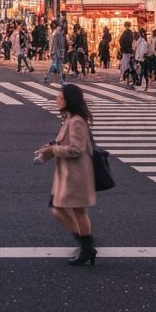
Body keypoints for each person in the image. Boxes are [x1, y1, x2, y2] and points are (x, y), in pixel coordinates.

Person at [35, 83, 97, 266]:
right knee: (59, 209)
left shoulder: (76, 121)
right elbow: (64, 142)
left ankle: (86, 246)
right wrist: (50, 148)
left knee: (76, 211)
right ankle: (84, 243)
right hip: (68, 174)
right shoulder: (69, 118)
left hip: (76, 175)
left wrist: (54, 150)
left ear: (69, 100)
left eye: (60, 97)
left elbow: (77, 149)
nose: (56, 99)